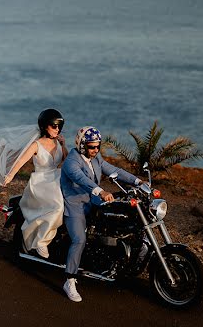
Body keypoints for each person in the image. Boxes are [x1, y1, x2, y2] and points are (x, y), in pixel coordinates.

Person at [0, 109, 67, 259]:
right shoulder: (36, 145)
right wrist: (9, 176)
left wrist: (63, 145)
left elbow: (65, 160)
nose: (57, 129)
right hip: (41, 182)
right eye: (54, 126)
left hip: (57, 177)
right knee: (57, 207)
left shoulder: (57, 143)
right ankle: (41, 241)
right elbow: (21, 160)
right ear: (44, 126)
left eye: (59, 126)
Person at [59, 126, 142, 302]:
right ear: (82, 145)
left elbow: (115, 171)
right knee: (79, 239)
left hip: (92, 201)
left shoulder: (96, 158)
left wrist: (137, 181)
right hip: (75, 204)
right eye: (91, 147)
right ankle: (70, 280)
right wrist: (100, 191)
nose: (95, 150)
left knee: (120, 217)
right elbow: (81, 179)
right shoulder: (71, 162)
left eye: (98, 146)